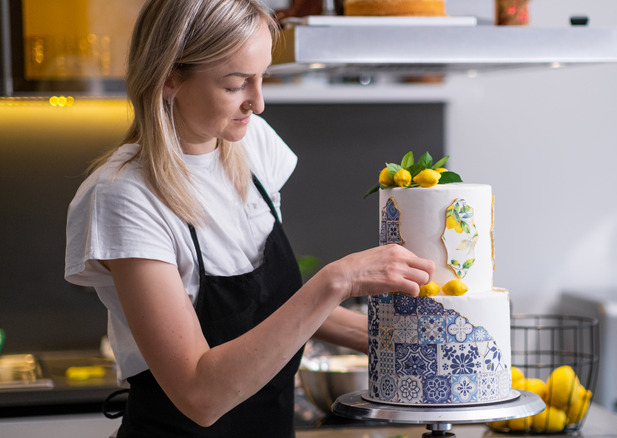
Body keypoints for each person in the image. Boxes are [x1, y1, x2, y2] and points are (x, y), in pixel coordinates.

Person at [64, 0, 434, 436]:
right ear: (168, 79)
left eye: (263, 78)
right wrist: (338, 281)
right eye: (237, 84)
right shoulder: (125, 196)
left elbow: (266, 309)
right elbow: (200, 394)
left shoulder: (250, 145)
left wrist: (401, 342)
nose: (257, 104)